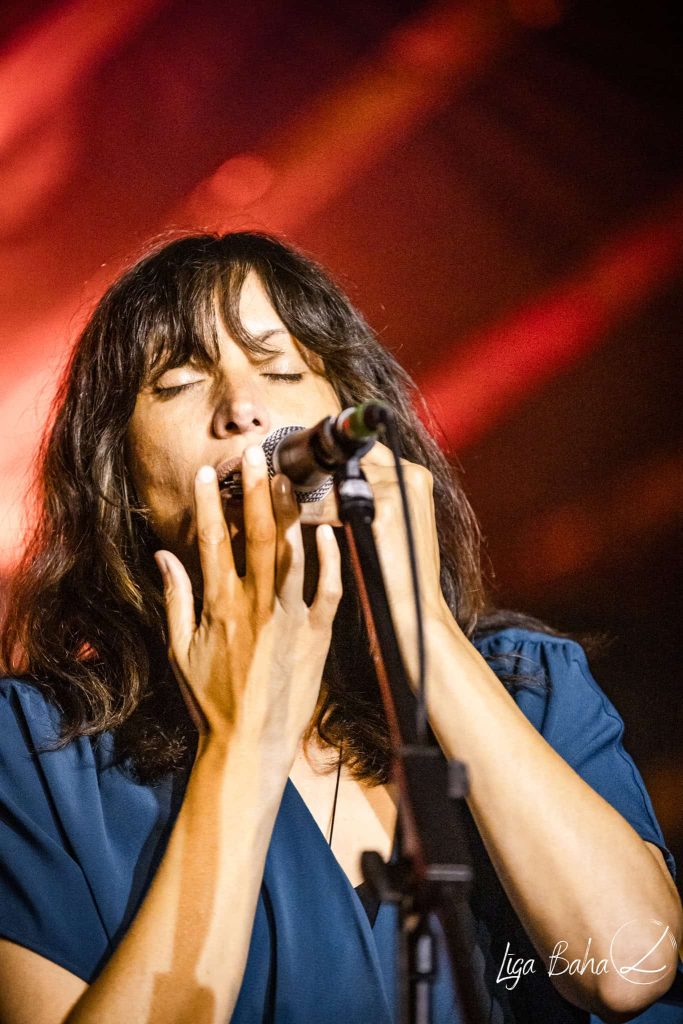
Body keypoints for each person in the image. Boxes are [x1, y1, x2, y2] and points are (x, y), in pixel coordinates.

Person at [0, 232, 680, 1024]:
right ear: (118, 476)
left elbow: (629, 966)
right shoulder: (39, 753)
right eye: (181, 382)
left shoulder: (522, 681)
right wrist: (243, 745)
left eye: (284, 371)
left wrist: (422, 627)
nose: (243, 407)